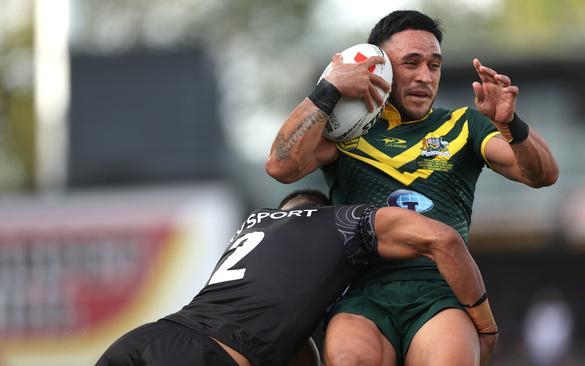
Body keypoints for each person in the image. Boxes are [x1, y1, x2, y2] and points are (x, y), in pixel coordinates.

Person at [266, 10, 559, 366]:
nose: (425, 76)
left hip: (440, 293)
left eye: (434, 65)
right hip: (363, 294)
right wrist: (329, 89)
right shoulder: (347, 132)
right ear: (380, 69)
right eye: (411, 63)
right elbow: (280, 166)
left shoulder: (464, 124)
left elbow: (542, 174)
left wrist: (511, 123)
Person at [96, 189, 495, 366]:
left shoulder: (253, 225)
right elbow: (442, 238)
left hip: (143, 338)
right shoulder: (340, 221)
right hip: (203, 356)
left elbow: (291, 341)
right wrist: (485, 326)